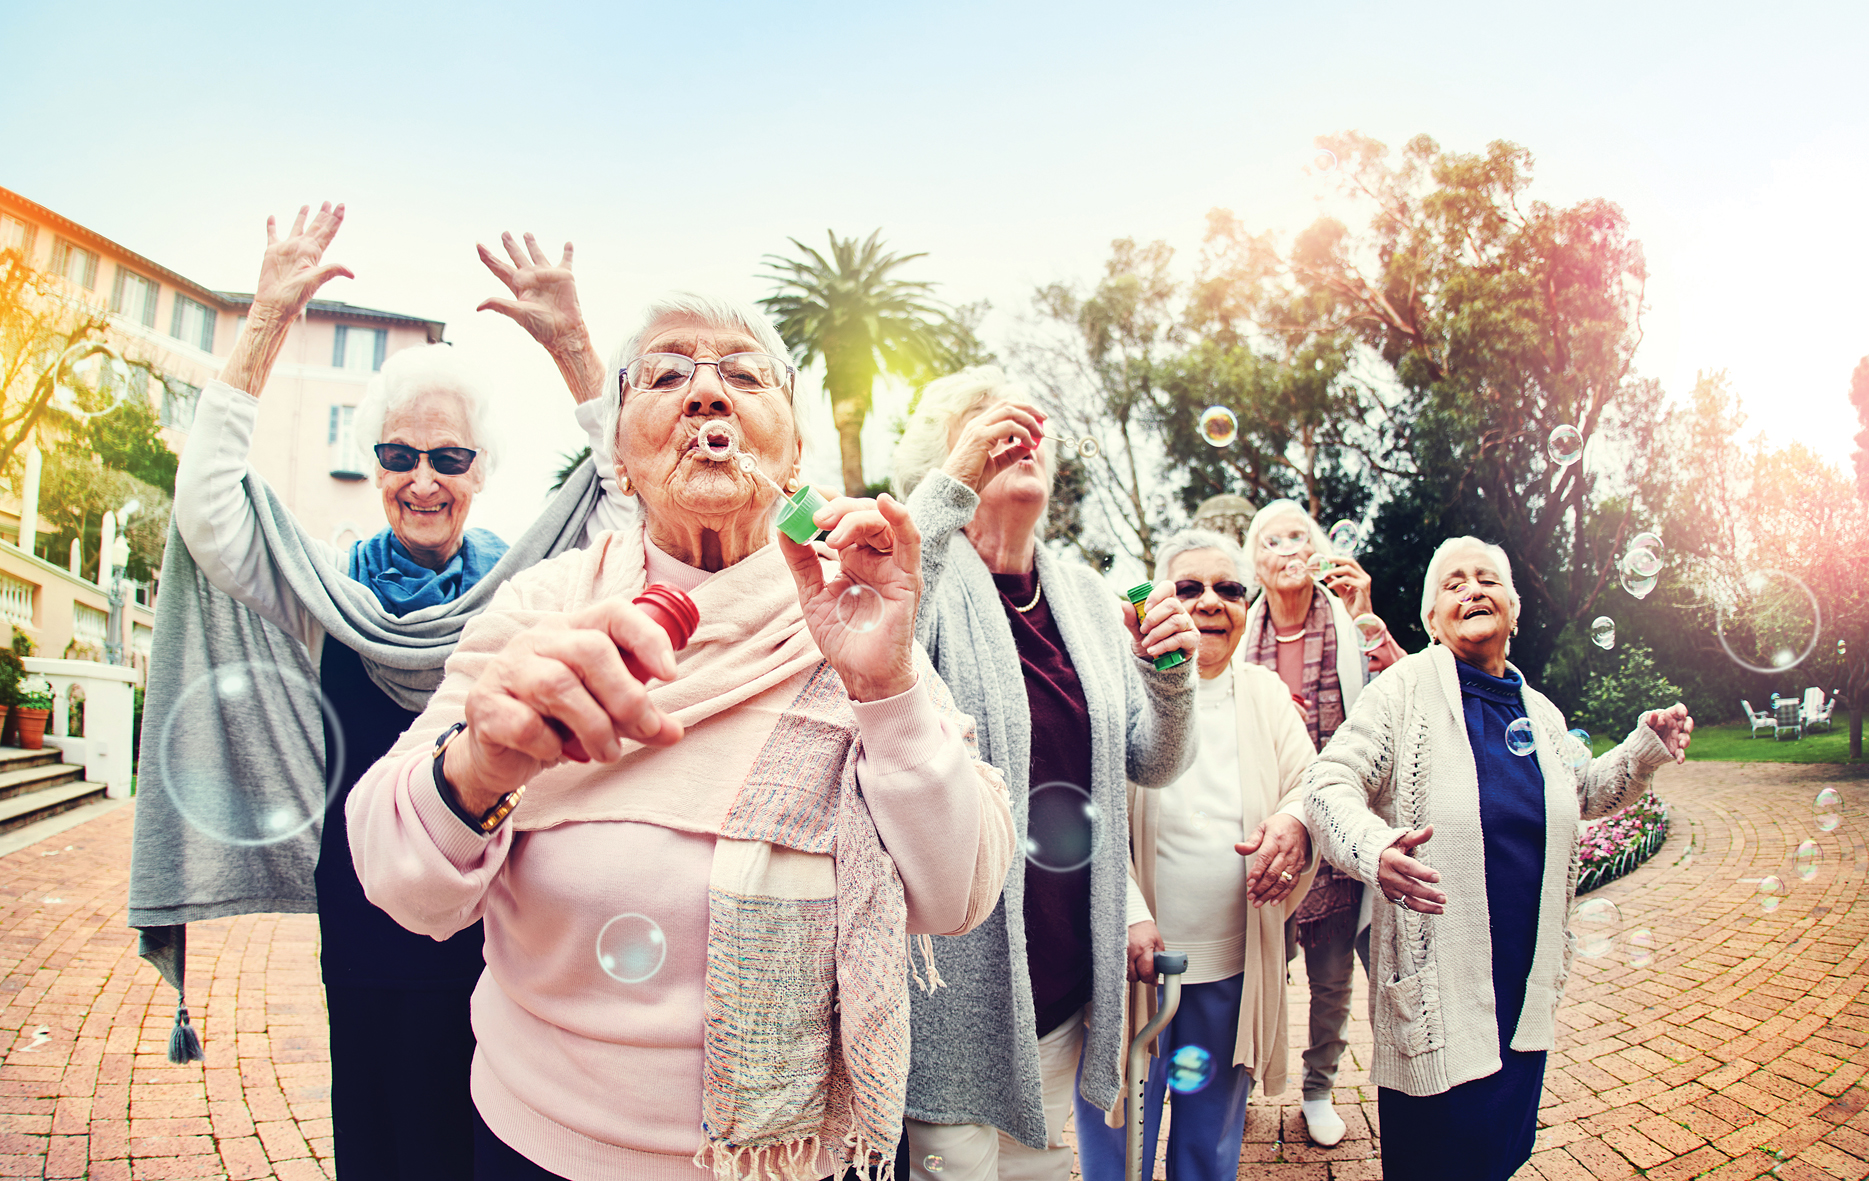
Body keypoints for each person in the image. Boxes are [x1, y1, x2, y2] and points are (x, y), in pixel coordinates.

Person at [347, 293, 1016, 1181]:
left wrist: (886, 689)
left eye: (742, 375)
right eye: (666, 375)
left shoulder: (855, 613)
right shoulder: (544, 609)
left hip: (800, 1160)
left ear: (795, 452)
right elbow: (402, 884)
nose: (706, 395)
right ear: (617, 455)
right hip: (543, 1145)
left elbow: (956, 892)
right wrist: (482, 762)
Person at [152, 204, 623, 1180]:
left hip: (507, 906)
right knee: (380, 1129)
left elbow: (630, 495)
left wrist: (576, 347)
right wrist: (269, 314)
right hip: (368, 911)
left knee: (499, 1127)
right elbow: (206, 508)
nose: (423, 478)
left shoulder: (528, 587)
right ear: (373, 465)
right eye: (400, 455)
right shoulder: (329, 589)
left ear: (481, 471)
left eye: (449, 457)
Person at [889, 367, 1200, 1181]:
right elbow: (882, 638)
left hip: (1060, 986)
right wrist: (948, 484)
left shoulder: (1085, 597)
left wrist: (1169, 677)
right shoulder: (918, 579)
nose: (1015, 429)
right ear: (944, 457)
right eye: (982, 419)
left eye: (1029, 422)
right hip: (953, 1003)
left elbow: (1149, 761)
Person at [1303, 536, 1694, 1181]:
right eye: (1452, 583)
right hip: (1439, 982)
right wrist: (1374, 849)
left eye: (1488, 580)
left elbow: (1585, 791)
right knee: (1438, 1159)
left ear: (1513, 610)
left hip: (1521, 974)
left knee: (1499, 1155)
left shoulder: (1538, 712)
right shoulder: (1401, 692)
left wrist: (1643, 749)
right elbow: (1327, 786)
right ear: (1431, 619)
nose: (1472, 589)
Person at [1071, 529, 1318, 1181]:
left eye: (1228, 588)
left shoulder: (1266, 695)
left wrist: (1293, 823)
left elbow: (1311, 785)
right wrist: (1125, 912)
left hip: (1232, 964)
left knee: (1207, 1153)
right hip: (1130, 971)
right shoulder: (1112, 687)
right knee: (1118, 1148)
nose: (1210, 601)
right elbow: (1081, 810)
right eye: (1188, 588)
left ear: (1246, 605)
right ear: (1156, 602)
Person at [1239, 498, 1402, 1146]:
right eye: (1270, 538)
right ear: (1255, 560)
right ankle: (1242, 1077)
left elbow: (1404, 687)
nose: (1284, 547)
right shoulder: (1235, 632)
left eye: (1296, 536)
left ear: (1316, 554)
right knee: (1251, 967)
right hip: (1265, 828)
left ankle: (1318, 1088)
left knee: (1331, 975)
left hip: (1334, 828)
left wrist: (1367, 618)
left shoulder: (1347, 626)